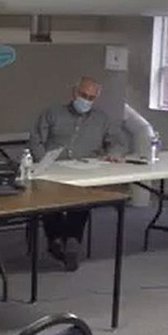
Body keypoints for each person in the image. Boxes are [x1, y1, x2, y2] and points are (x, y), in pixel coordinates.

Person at [28, 76, 126, 271]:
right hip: (53, 169)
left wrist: (114, 153)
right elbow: (35, 140)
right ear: (74, 92)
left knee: (80, 201)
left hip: (85, 170)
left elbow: (116, 141)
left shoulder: (101, 119)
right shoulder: (52, 113)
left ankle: (72, 241)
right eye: (83, 95)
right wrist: (42, 161)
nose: (86, 100)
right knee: (49, 200)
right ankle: (56, 239)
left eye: (91, 97)